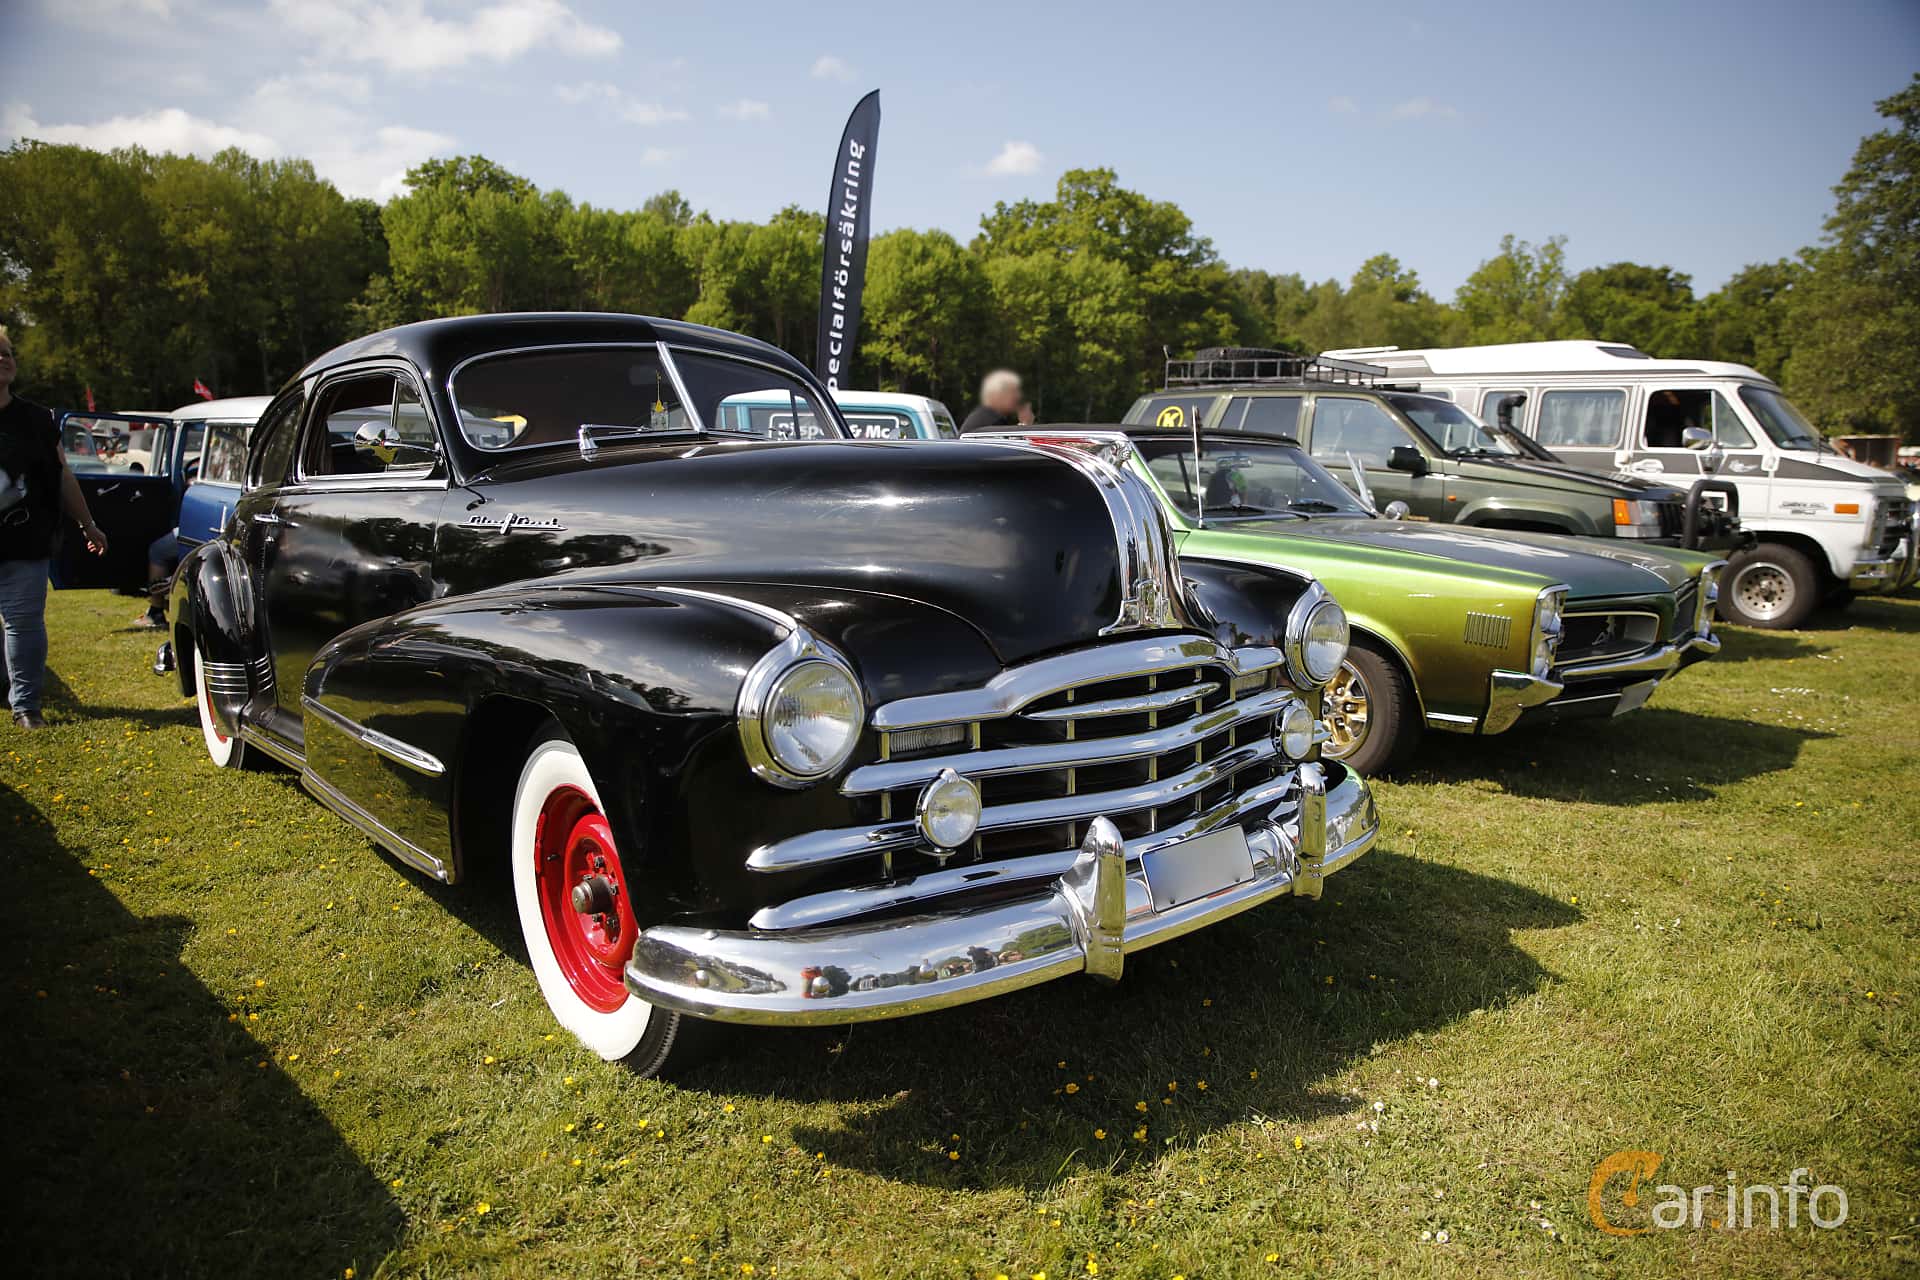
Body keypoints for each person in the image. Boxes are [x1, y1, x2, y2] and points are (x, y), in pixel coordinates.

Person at [0, 332, 110, 729]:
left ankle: (26, 707)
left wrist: (88, 523)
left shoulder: (37, 419)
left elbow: (63, 476)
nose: (3, 360)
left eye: (7, 353)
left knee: (24, 620)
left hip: (26, 539)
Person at [960, 369, 1036, 434]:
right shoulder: (992, 420)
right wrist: (1025, 424)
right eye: (1013, 392)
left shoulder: (986, 414)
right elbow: (1008, 448)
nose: (1018, 396)